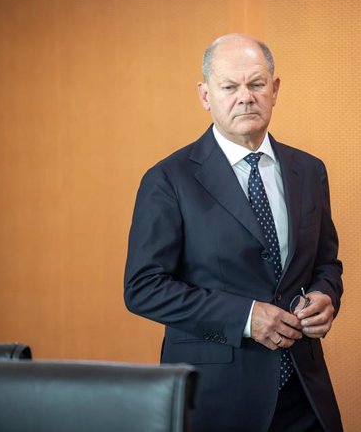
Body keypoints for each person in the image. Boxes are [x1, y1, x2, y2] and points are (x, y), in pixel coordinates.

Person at [124, 33, 344, 432]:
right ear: (206, 95)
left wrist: (325, 295)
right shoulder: (169, 180)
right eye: (230, 86)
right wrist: (244, 317)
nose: (246, 97)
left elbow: (326, 262)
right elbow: (143, 287)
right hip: (217, 398)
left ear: (274, 90)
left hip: (305, 395)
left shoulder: (309, 171)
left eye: (257, 84)